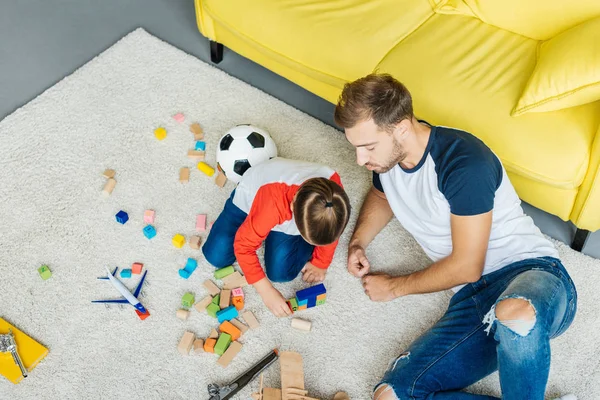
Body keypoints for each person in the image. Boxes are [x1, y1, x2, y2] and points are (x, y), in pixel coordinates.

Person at [334, 73, 578, 400]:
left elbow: (466, 267)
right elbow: (382, 197)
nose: (360, 160)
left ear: (402, 128)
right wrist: (358, 242)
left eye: (367, 147)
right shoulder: (389, 159)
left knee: (514, 315)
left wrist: (392, 287)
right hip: (474, 298)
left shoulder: (463, 163)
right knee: (390, 395)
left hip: (532, 274)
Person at [202, 157, 351, 317]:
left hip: (286, 208)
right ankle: (265, 228)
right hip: (252, 201)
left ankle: (268, 229)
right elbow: (243, 246)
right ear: (293, 207)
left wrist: (321, 263)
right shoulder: (273, 203)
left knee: (281, 274)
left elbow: (332, 233)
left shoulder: (335, 197)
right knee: (216, 256)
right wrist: (266, 292)